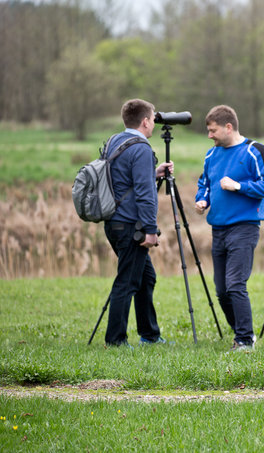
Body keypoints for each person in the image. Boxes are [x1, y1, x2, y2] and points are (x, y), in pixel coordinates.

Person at [195, 105, 264, 351]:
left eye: (213, 130)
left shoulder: (255, 151)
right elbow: (205, 184)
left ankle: (244, 339)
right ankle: (241, 333)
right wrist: (203, 199)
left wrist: (239, 187)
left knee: (235, 284)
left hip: (244, 227)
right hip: (217, 228)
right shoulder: (212, 155)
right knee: (221, 290)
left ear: (228, 127)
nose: (209, 135)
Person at [104, 98, 173, 348]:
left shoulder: (115, 141)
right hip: (131, 226)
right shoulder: (142, 149)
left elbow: (122, 180)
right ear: (145, 121)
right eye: (153, 119)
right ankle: (116, 341)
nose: (154, 123)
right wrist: (150, 231)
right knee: (128, 281)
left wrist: (154, 173)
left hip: (113, 222)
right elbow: (146, 194)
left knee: (146, 278)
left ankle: (150, 335)